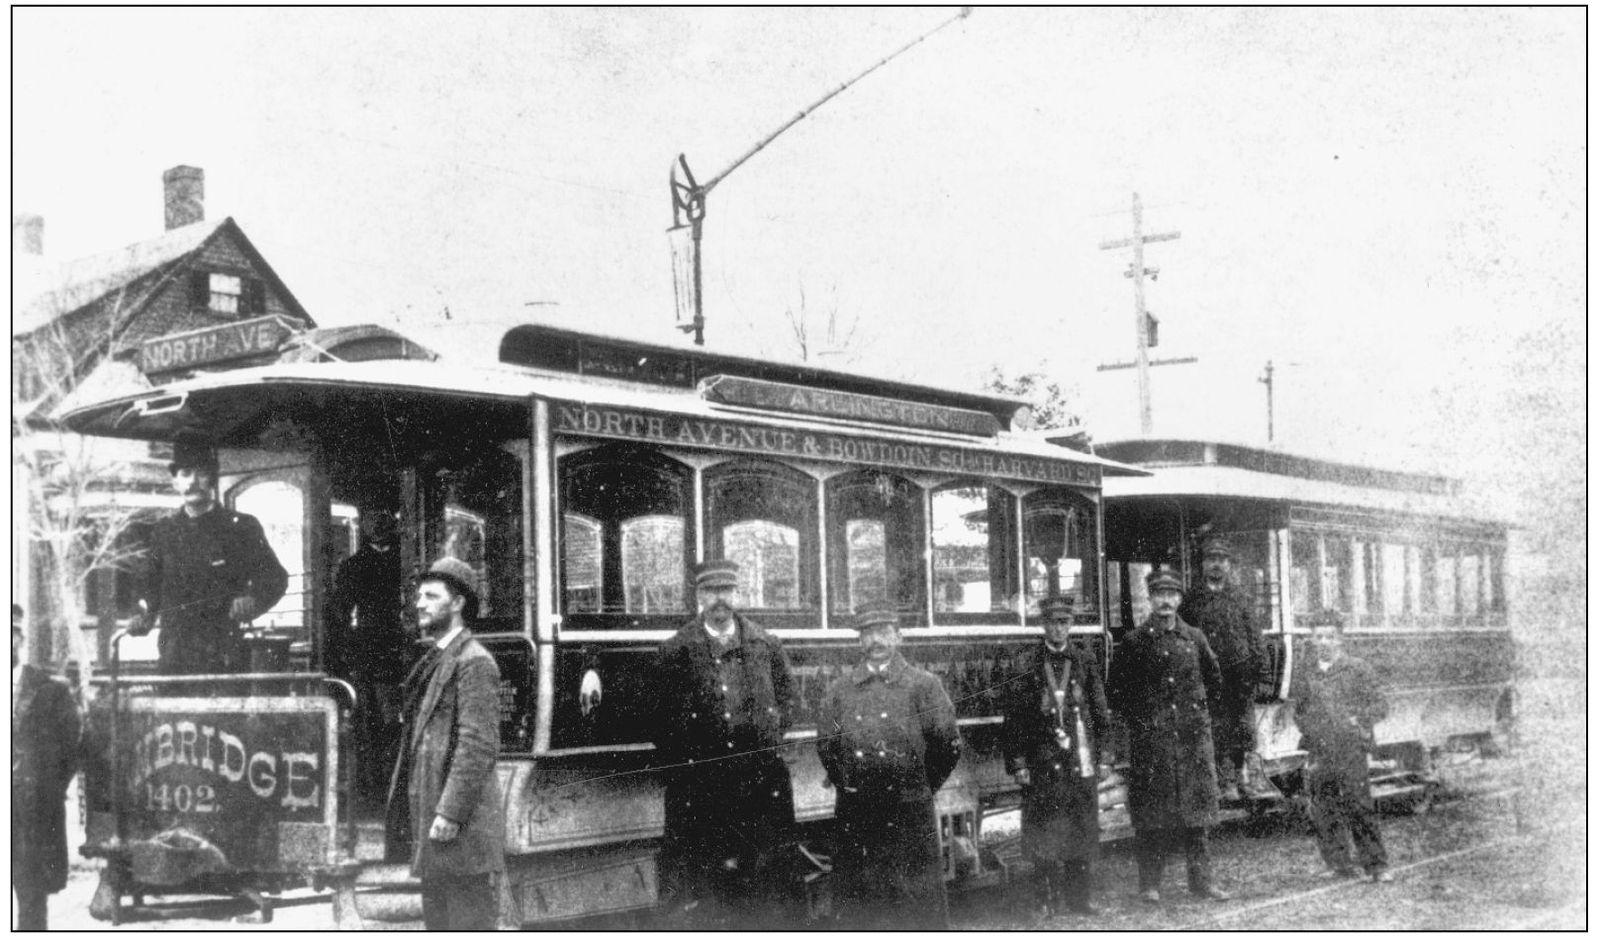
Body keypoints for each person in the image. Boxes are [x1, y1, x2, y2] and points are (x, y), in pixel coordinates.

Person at [651, 559, 799, 929]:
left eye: (726, 591)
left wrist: (765, 745)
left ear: (737, 594)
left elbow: (789, 703)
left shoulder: (765, 644)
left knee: (764, 879)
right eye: (711, 592)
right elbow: (659, 721)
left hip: (760, 784)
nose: (719, 600)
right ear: (699, 597)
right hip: (703, 787)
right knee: (707, 884)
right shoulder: (675, 651)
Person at [818, 608, 962, 930]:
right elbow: (827, 745)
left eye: (884, 632)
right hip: (858, 812)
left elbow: (948, 745)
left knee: (914, 903)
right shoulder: (840, 689)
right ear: (859, 641)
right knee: (862, 903)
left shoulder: (924, 685)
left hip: (909, 811)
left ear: (899, 636)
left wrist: (921, 787)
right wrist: (849, 785)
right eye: (868, 633)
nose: (876, 640)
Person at [386, 557, 505, 931]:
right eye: (419, 595)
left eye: (431, 596)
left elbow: (477, 745)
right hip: (438, 829)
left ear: (458, 604)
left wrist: (450, 813)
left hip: (460, 831)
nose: (419, 603)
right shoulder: (440, 658)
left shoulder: (474, 662)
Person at [1107, 569, 1232, 903]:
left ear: (1179, 599)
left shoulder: (1194, 638)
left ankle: (1202, 883)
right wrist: (1144, 724)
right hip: (1154, 745)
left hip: (1192, 742)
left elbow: (1214, 683)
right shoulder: (1134, 642)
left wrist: (1199, 719)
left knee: (1197, 817)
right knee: (1152, 818)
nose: (1165, 601)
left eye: (1171, 594)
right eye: (1158, 594)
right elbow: (1117, 694)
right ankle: (1150, 885)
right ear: (1150, 599)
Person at [129, 430, 289, 674]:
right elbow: (148, 584)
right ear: (175, 481)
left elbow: (275, 577)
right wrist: (143, 615)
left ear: (213, 478)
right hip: (174, 656)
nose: (192, 482)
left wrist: (253, 599)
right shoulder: (164, 532)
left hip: (224, 654)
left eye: (200, 473)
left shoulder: (240, 527)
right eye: (184, 474)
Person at [1000, 595, 1112, 917]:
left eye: (1064, 622)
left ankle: (1080, 898)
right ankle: (1043, 900)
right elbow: (1014, 720)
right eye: (1052, 623)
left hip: (1079, 759)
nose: (1058, 629)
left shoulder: (1084, 660)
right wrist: (1019, 764)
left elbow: (1100, 712)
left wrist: (1105, 757)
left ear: (1071, 625)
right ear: (1043, 625)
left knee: (1080, 826)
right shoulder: (1026, 662)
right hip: (1042, 760)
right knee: (1043, 831)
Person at [1296, 609, 1392, 883]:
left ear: (1340, 639)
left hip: (1350, 747)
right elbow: (1300, 710)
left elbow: (1380, 705)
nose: (1324, 642)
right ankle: (1338, 864)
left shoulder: (1357, 668)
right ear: (1312, 640)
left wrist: (1357, 719)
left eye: (1329, 636)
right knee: (1324, 808)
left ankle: (1376, 866)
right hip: (1320, 748)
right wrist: (1309, 728)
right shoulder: (1308, 672)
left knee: (1358, 805)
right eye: (1318, 637)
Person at [326, 509, 411, 804]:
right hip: (369, 651)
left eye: (384, 518)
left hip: (404, 645)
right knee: (370, 722)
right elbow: (340, 611)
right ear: (363, 526)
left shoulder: (409, 559)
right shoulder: (353, 565)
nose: (378, 525)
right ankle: (375, 787)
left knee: (397, 721)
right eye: (372, 519)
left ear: (396, 522)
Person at [1178, 537, 1267, 801]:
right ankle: (1224, 782)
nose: (1216, 565)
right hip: (1208, 677)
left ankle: (1244, 780)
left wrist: (1261, 675)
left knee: (1244, 730)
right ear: (1203, 565)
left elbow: (1255, 637)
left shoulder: (1241, 598)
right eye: (1211, 560)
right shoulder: (1192, 600)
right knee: (1216, 728)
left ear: (1229, 565)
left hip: (1240, 677)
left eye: (1222, 560)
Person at [12, 605, 82, 930]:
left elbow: (70, 750)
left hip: (28, 814)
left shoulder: (50, 692)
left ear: (18, 638)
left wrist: (44, 789)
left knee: (30, 904)